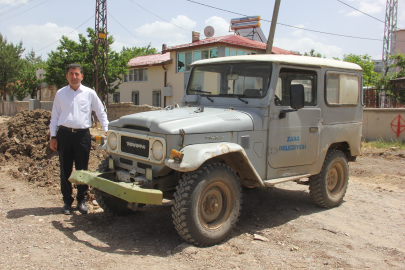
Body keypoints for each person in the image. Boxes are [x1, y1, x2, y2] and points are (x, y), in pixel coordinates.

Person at [49, 63, 109, 215]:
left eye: (77, 74)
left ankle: (81, 200)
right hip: (64, 135)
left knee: (82, 169)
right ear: (67, 76)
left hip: (83, 135)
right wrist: (53, 136)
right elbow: (54, 116)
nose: (74, 77)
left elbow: (100, 111)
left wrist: (107, 129)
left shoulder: (89, 93)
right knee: (65, 169)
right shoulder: (60, 93)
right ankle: (67, 202)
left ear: (82, 76)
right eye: (71, 74)